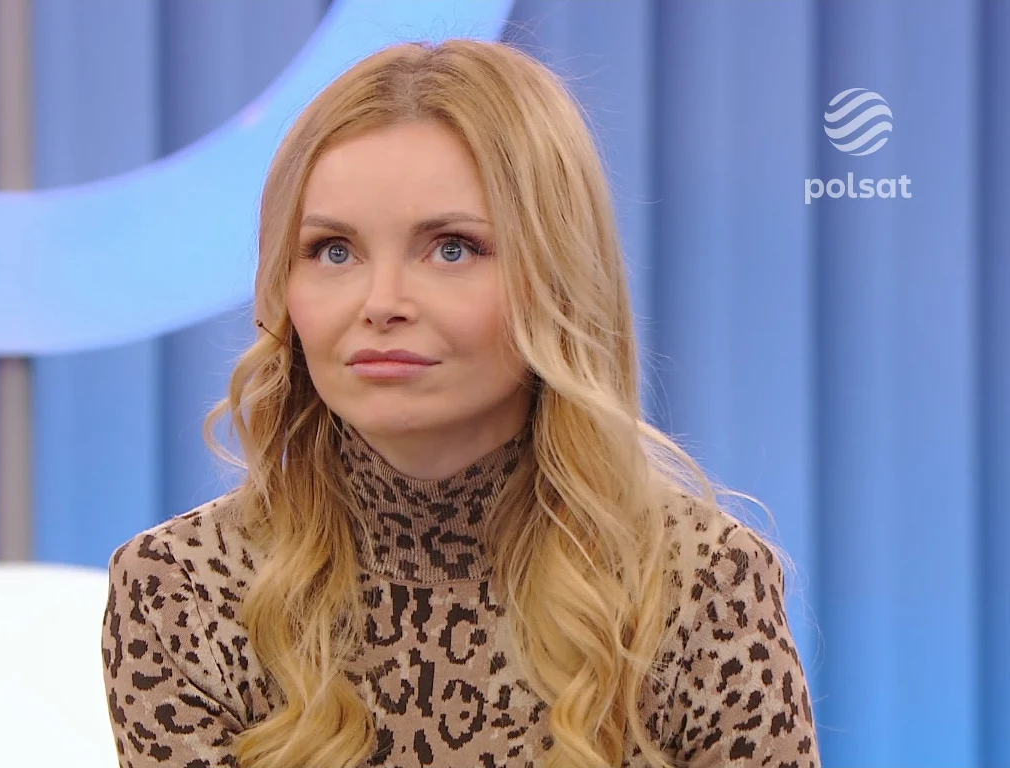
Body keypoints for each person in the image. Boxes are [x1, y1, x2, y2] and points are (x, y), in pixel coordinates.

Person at [101, 39, 819, 768]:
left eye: (452, 248)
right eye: (334, 251)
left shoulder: (702, 581)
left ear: (557, 278)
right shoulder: (182, 588)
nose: (381, 303)